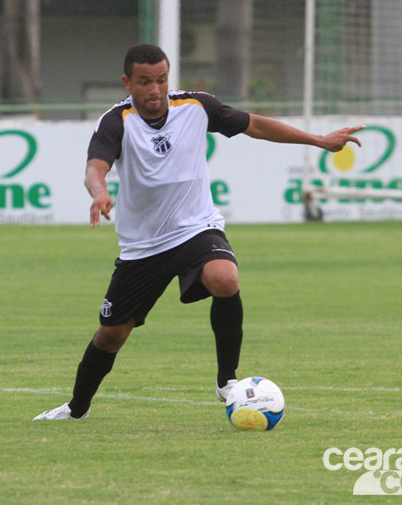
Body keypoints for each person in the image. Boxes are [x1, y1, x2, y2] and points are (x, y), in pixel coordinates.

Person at [34, 44, 362, 421]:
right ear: (128, 82)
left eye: (161, 80)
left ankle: (227, 382)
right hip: (143, 246)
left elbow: (254, 124)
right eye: (144, 82)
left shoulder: (196, 107)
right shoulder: (116, 121)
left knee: (225, 278)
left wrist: (319, 140)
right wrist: (100, 192)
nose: (155, 90)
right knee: (111, 335)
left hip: (196, 228)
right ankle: (76, 410)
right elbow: (96, 165)